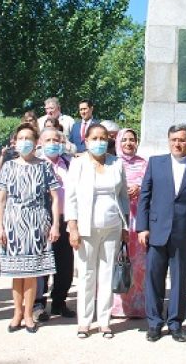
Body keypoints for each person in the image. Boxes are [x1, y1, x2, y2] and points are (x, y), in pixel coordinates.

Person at [137, 124, 186, 343]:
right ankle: (154, 323)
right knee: (154, 279)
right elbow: (145, 197)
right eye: (173, 140)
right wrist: (143, 227)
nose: (177, 144)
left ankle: (175, 323)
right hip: (157, 231)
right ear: (168, 141)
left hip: (185, 234)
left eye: (182, 140)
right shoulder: (155, 163)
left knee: (180, 281)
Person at [65, 123, 130, 338]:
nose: (100, 142)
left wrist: (125, 226)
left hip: (112, 226)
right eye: (95, 138)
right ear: (86, 140)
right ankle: (84, 321)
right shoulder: (78, 164)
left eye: (103, 138)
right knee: (86, 274)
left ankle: (104, 321)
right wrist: (72, 227)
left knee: (106, 273)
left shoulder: (116, 163)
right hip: (86, 228)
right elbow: (71, 197)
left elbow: (123, 197)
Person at [0, 123, 61, 333]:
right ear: (15, 141)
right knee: (17, 272)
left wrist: (55, 224)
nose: (24, 142)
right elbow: (1, 200)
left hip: (37, 222)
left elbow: (55, 197)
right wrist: (0, 228)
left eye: (28, 138)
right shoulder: (8, 166)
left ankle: (28, 313)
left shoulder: (44, 166)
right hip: (13, 222)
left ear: (36, 143)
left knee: (32, 272)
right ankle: (16, 313)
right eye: (21, 138)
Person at [33, 127, 77, 319]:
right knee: (42, 262)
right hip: (41, 218)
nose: (53, 144)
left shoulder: (69, 163)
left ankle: (59, 302)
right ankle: (38, 304)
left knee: (65, 264)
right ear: (40, 143)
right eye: (48, 140)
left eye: (56, 140)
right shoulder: (35, 163)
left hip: (65, 218)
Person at [111, 128, 148, 319]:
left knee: (139, 264)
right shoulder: (112, 163)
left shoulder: (145, 164)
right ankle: (116, 306)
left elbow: (153, 188)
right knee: (116, 261)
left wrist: (140, 188)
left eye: (132, 139)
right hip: (118, 218)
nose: (128, 143)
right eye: (124, 140)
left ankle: (138, 305)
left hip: (139, 219)